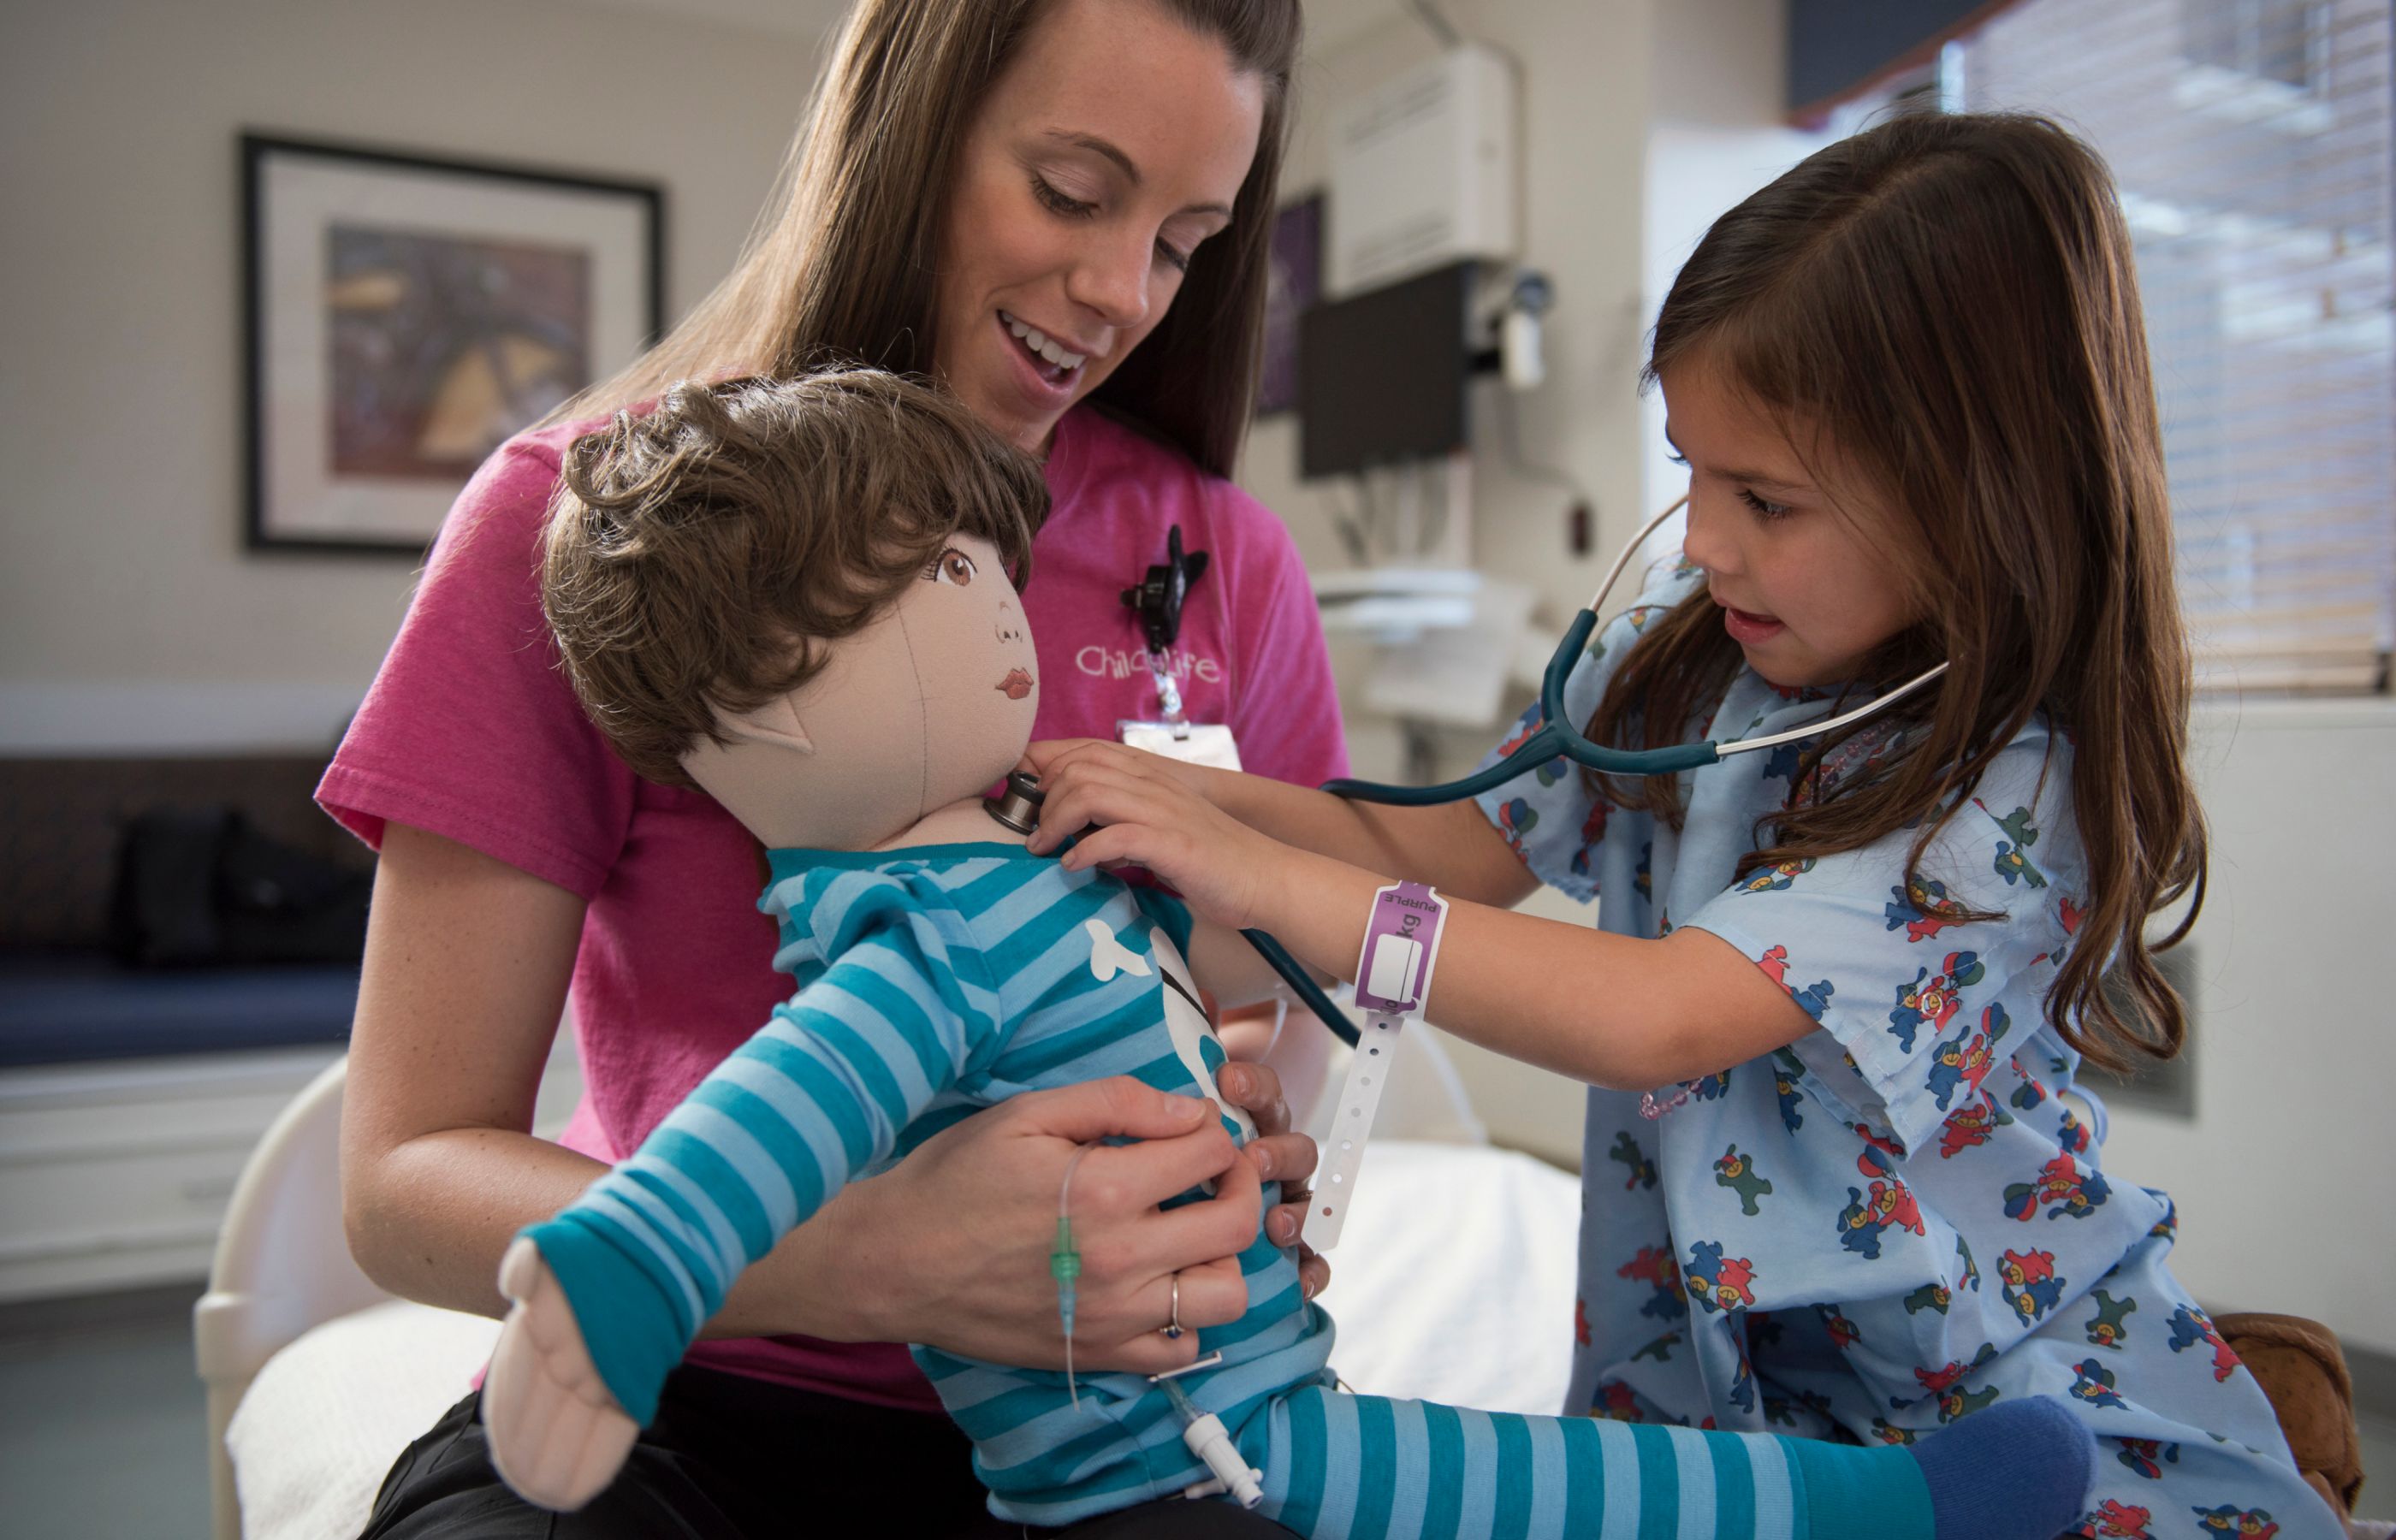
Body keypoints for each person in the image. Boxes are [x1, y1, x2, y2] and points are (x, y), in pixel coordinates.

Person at [1023, 114, 2345, 1540]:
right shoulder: (1686, 645)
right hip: (1715, 1405)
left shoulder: (2004, 789)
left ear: (1984, 502)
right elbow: (1433, 853)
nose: (1707, 538)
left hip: (1987, 1405)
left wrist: (1257, 870)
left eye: (1766, 498)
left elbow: (1654, 1017)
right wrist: (1165, 796)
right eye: (1692, 472)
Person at [491, 366, 2092, 1540]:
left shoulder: (1032, 854)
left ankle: (1896, 1505)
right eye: (926, 582)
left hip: (1270, 1389)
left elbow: (1539, 966)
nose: (993, 613)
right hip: (1168, 1460)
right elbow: (768, 1120)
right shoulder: (920, 947)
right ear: (761, 701)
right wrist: (632, 1267)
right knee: (1539, 1494)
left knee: (1554, 1482)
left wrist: (1231, 1035)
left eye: (978, 564)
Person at [324, 3, 1342, 1535]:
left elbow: (1287, 991)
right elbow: (403, 1187)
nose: (1122, 291)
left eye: (1186, 241)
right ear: (908, 128)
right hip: (696, 1401)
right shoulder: (593, 536)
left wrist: (1243, 1151)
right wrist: (876, 1254)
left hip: (1124, 1433)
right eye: (1072, 193)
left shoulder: (1222, 563)